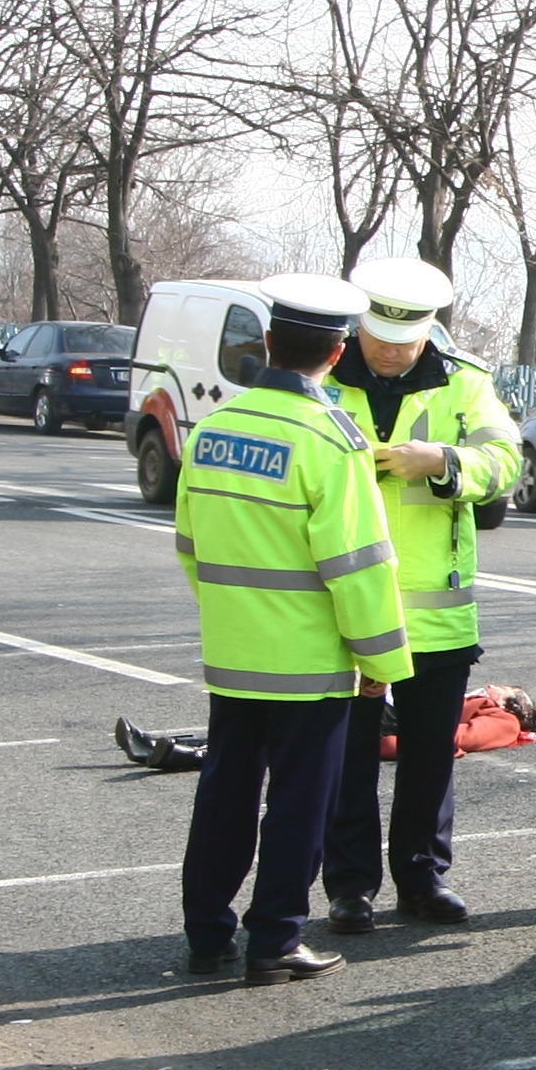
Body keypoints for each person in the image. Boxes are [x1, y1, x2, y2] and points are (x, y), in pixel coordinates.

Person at [176, 276, 415, 986]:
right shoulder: (330, 440)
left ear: (269, 344)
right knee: (298, 804)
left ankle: (206, 929)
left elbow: (189, 543)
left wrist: (230, 615)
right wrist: (381, 661)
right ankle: (276, 937)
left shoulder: (216, 426)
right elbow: (360, 567)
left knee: (224, 791)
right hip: (309, 662)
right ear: (339, 355)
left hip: (232, 650)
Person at [319, 254, 525, 934]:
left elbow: (506, 461)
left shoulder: (464, 383)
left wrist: (443, 462)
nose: (388, 354)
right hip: (342, 605)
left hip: (435, 607)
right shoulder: (323, 381)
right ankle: (349, 887)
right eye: (378, 342)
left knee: (429, 753)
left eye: (404, 345)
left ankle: (422, 876)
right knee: (347, 757)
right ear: (359, 328)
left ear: (428, 333)